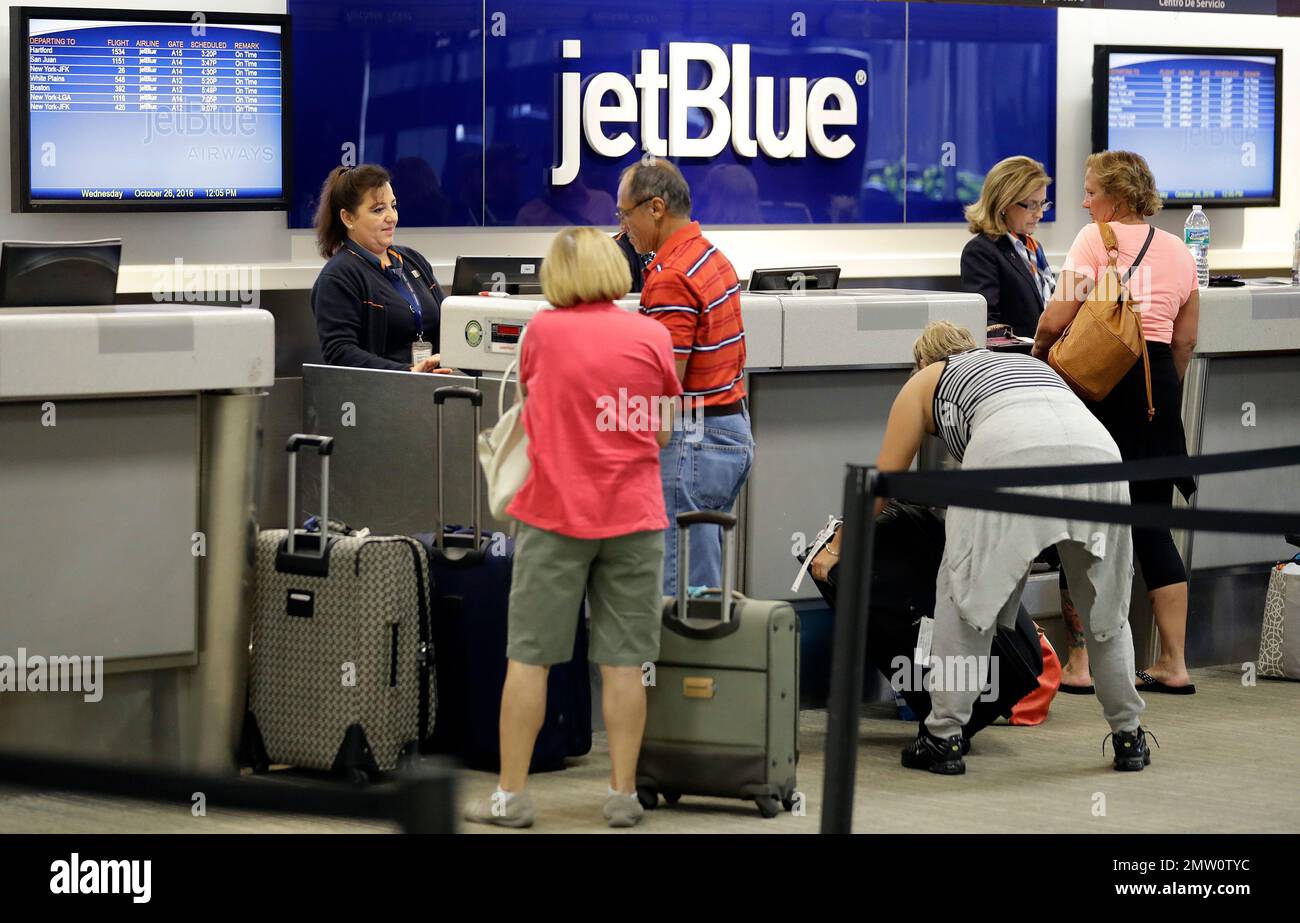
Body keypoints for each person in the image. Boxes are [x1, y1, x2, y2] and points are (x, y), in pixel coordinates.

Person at [811, 321, 1153, 774]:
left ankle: (944, 738)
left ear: (920, 362)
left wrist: (835, 547)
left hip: (1011, 457)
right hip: (1100, 457)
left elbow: (883, 482)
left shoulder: (924, 381)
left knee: (962, 599)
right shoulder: (1019, 364)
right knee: (1105, 609)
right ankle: (1129, 735)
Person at [462, 227, 681, 828]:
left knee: (529, 659)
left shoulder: (541, 333)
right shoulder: (653, 335)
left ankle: (511, 797)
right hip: (634, 517)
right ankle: (621, 794)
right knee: (624, 662)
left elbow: (534, 409)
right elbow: (662, 431)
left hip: (554, 516)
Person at [1032, 150, 1200, 695]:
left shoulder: (1093, 239)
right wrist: (1160, 394)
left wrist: (1039, 356)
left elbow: (1058, 316)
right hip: (1156, 395)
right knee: (1153, 526)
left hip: (1100, 393)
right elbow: (1185, 340)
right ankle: (1175, 662)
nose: (1083, 202)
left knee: (1082, 529)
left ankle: (1082, 663)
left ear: (1117, 197)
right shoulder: (1179, 250)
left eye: (1090, 191)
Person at [616, 158, 755, 593]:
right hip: (728, 433)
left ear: (655, 208)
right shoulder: (711, 257)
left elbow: (664, 388)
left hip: (691, 444)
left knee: (676, 601)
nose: (623, 228)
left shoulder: (671, 277)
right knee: (702, 589)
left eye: (625, 214)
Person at [310, 164, 450, 372]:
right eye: (378, 210)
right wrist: (408, 372)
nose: (391, 217)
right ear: (348, 218)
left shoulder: (413, 260)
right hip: (380, 395)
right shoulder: (338, 276)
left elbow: (448, 319)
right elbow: (340, 352)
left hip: (432, 386)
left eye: (393, 206)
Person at [960, 156, 1056, 338]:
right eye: (1031, 205)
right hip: (1016, 362)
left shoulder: (1033, 248)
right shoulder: (980, 252)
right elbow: (988, 326)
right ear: (1004, 203)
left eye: (1042, 204)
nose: (1040, 214)